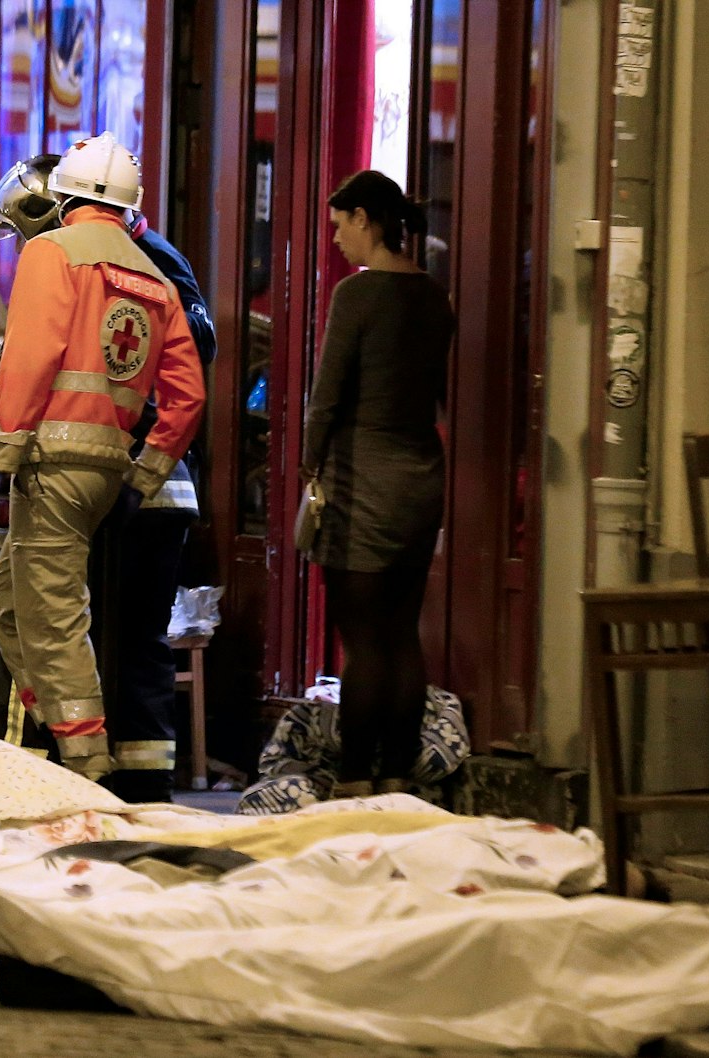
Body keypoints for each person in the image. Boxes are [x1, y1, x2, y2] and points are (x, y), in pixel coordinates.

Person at [0, 153, 217, 802]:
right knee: (9, 604)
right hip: (109, 470)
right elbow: (188, 393)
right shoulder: (150, 273)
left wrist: (0, 458)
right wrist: (148, 471)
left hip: (50, 465)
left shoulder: (53, 253)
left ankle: (84, 770)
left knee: (54, 622)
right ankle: (58, 722)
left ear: (61, 199)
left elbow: (30, 360)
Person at [300, 169, 455, 799]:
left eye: (340, 225)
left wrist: (310, 466)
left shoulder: (357, 296)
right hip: (421, 482)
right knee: (402, 633)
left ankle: (354, 779)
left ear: (366, 219)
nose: (337, 239)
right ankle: (398, 774)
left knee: (361, 640)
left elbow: (327, 397)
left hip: (363, 482)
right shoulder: (434, 296)